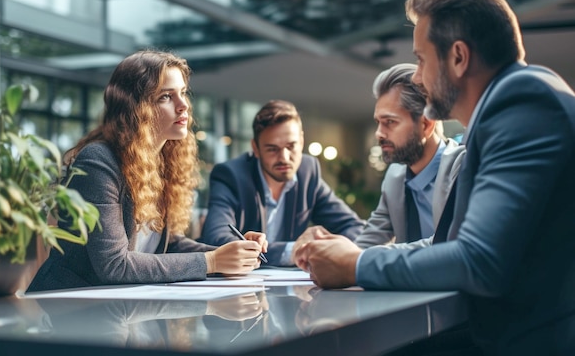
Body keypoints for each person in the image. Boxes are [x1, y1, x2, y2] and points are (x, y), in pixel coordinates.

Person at [295, 0, 575, 355]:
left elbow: (479, 261)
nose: (417, 75)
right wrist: (354, 257)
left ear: (458, 57)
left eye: (421, 59)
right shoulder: (508, 106)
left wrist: (357, 266)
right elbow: (448, 244)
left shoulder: (522, 102)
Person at [27, 50, 267, 292]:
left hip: (119, 306)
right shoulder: (99, 161)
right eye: (166, 96)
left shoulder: (162, 160)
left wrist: (234, 254)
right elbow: (114, 265)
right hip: (68, 308)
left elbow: (166, 245)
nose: (183, 105)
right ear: (136, 108)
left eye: (183, 93)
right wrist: (212, 261)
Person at [293, 63, 465, 260]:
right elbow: (365, 243)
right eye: (378, 123)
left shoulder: (462, 168)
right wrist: (329, 252)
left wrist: (360, 257)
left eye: (390, 122)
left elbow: (449, 243)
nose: (379, 134)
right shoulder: (395, 176)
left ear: (425, 125)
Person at [200, 99, 364, 267]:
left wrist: (327, 247)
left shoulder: (307, 172)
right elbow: (216, 238)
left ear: (301, 141)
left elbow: (355, 227)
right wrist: (294, 251)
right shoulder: (231, 175)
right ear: (255, 148)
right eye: (272, 149)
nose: (284, 158)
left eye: (291, 146)